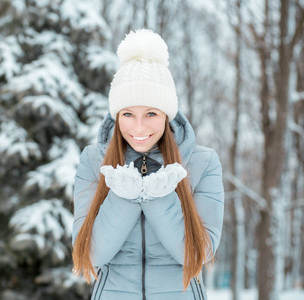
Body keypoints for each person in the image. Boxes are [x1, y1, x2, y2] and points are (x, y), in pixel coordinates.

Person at [72, 29, 224, 300]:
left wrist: (158, 196)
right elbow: (91, 254)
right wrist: (125, 197)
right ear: (117, 116)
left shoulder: (203, 162)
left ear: (167, 115)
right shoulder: (93, 161)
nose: (139, 127)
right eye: (128, 114)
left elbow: (199, 254)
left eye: (151, 113)